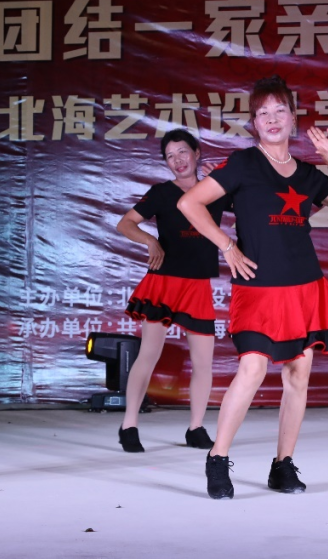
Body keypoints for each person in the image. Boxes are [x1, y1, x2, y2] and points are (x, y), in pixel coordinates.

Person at [178, 76, 328, 499]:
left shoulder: (306, 174)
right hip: (258, 286)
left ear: (293, 118)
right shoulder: (244, 164)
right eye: (262, 112)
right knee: (252, 368)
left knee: (298, 375)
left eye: (279, 110)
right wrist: (226, 245)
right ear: (253, 122)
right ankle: (217, 458)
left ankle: (283, 465)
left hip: (305, 285)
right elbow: (189, 202)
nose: (271, 118)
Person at [115, 129, 229, 453]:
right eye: (170, 156)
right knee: (148, 355)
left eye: (182, 152)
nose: (178, 160)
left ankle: (196, 428)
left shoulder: (215, 190)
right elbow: (125, 223)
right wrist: (150, 240)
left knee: (203, 362)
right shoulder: (162, 193)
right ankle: (129, 425)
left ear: (196, 153)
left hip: (197, 285)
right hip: (164, 282)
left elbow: (248, 204)